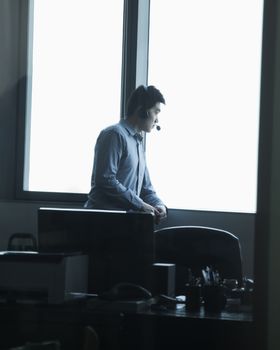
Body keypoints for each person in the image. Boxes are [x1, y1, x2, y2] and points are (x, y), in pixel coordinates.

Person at [84, 85, 167, 223]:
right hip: (102, 222)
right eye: (156, 112)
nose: (157, 119)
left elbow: (146, 189)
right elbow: (105, 180)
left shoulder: (138, 144)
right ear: (143, 111)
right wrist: (140, 205)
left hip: (124, 222)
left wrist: (159, 205)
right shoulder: (114, 134)